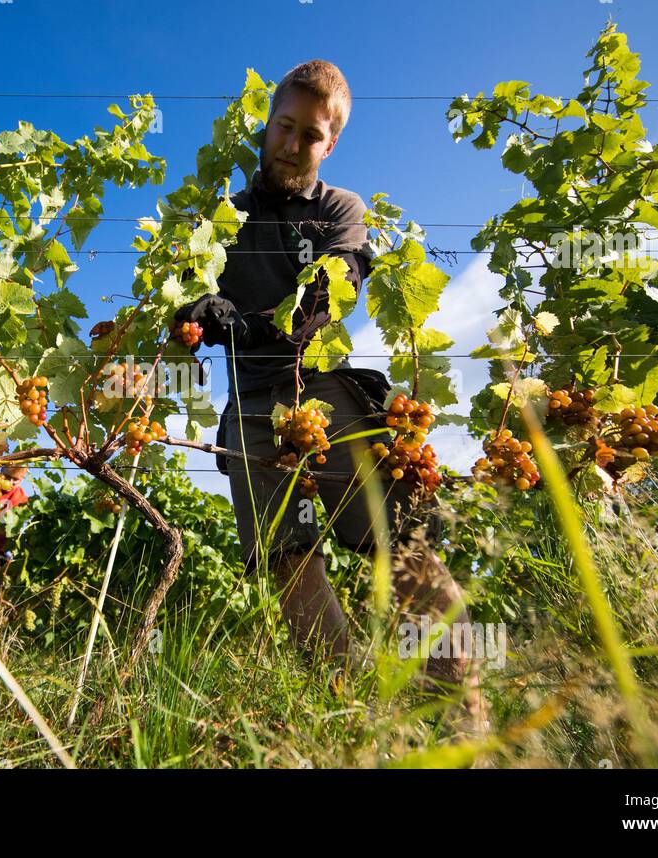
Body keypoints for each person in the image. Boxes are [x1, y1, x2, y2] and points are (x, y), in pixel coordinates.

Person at [173, 60, 488, 737]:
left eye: (310, 136)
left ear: (331, 143)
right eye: (284, 127)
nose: (291, 144)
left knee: (399, 542)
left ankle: (465, 725)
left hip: (322, 387)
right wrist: (189, 310)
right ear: (267, 122)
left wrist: (250, 323)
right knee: (286, 560)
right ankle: (357, 727)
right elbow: (183, 306)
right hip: (252, 403)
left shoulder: (339, 209)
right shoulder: (220, 215)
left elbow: (327, 294)